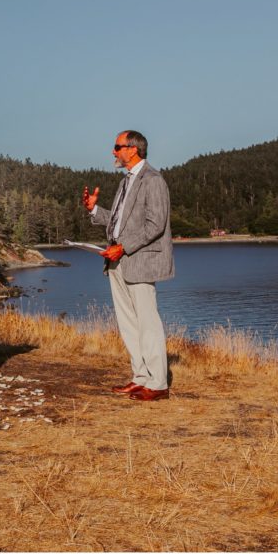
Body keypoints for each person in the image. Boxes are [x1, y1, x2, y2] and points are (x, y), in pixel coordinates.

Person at [82, 130, 174, 401]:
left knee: (148, 323)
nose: (113, 152)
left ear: (132, 149)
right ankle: (141, 377)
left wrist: (123, 247)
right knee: (128, 324)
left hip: (140, 261)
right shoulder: (126, 182)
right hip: (118, 262)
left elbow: (155, 224)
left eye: (117, 147)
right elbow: (119, 223)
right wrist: (94, 211)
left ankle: (158, 384)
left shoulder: (153, 180)